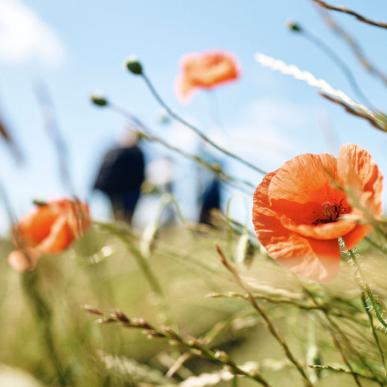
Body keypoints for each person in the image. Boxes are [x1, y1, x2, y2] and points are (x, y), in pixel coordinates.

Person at [93, 131, 145, 223]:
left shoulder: (137, 153)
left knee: (128, 216)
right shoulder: (112, 151)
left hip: (131, 191)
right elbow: (104, 170)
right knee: (116, 215)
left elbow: (141, 175)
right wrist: (96, 185)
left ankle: (126, 232)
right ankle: (118, 231)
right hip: (113, 191)